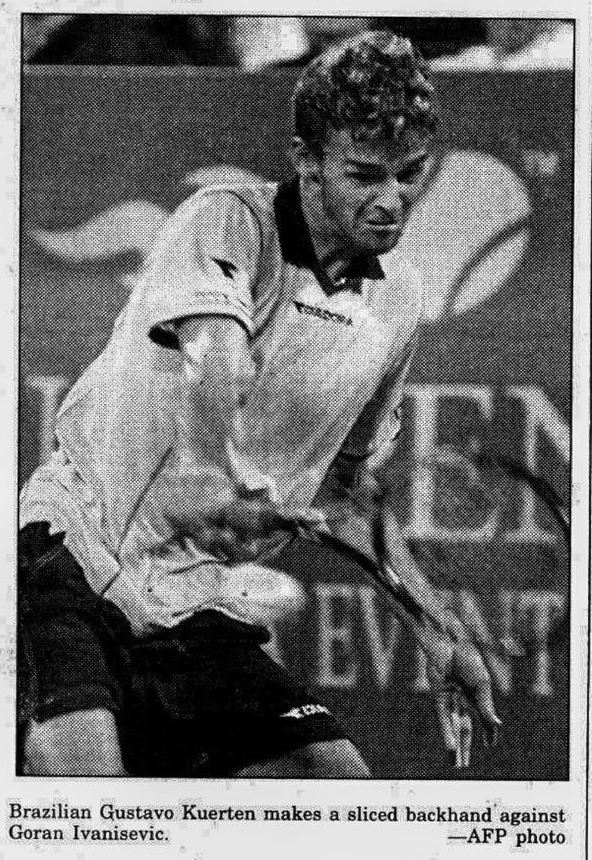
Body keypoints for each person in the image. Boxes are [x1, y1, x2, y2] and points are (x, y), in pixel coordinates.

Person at [19, 30, 500, 778]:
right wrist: (210, 477)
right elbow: (215, 353)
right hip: (72, 554)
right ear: (307, 159)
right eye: (363, 175)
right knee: (92, 798)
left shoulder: (399, 308)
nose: (390, 201)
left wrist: (436, 625)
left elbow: (347, 494)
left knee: (338, 785)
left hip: (195, 599)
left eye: (410, 174)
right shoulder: (228, 219)